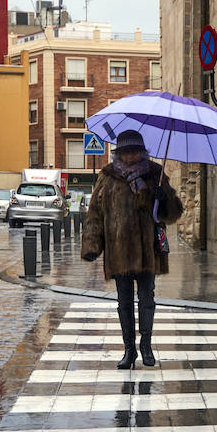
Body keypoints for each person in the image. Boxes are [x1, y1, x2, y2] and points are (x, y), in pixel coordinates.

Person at [81, 129, 183, 369]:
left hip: (148, 250)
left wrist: (163, 195)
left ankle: (146, 347)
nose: (130, 156)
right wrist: (92, 245)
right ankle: (129, 351)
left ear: (142, 152)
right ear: (119, 153)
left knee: (147, 299)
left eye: (135, 151)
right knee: (124, 301)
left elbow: (174, 212)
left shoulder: (155, 174)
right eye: (126, 152)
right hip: (119, 250)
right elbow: (95, 213)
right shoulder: (107, 176)